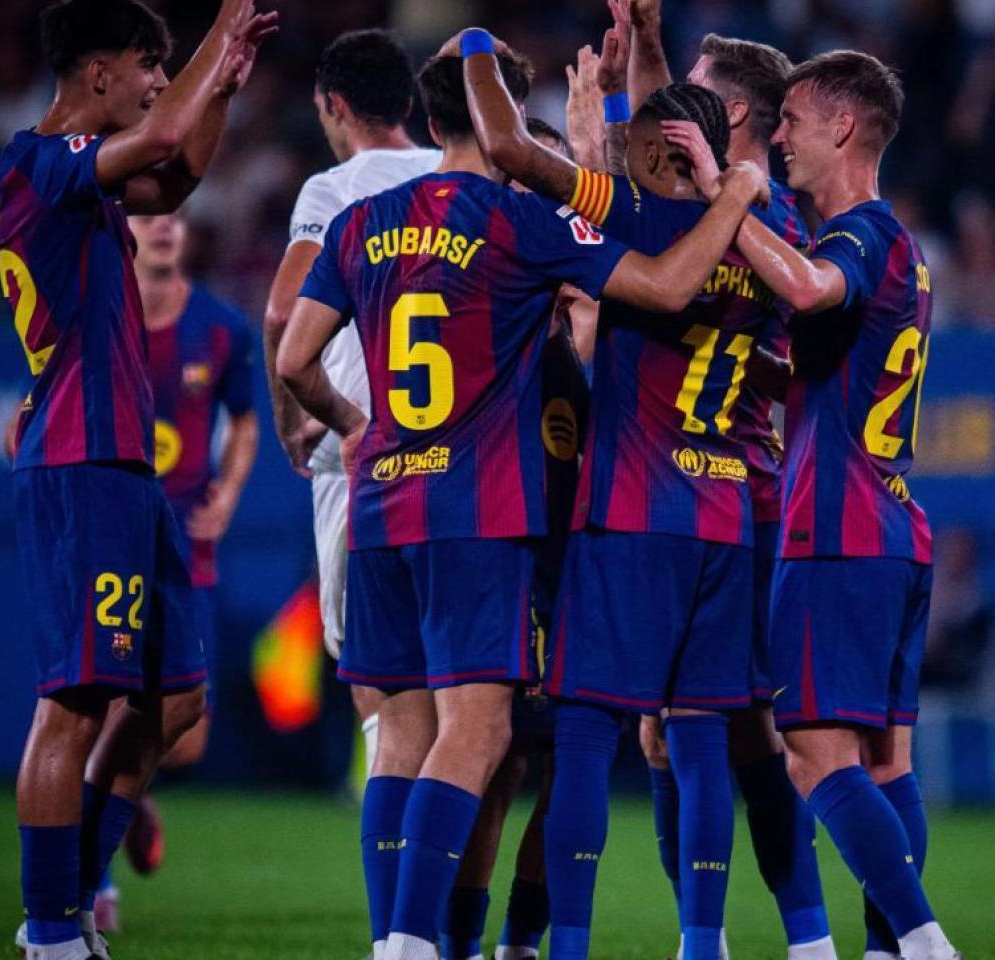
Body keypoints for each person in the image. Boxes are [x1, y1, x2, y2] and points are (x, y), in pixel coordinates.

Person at [276, 29, 766, 960]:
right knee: (484, 728)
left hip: (383, 507)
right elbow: (662, 286)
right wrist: (736, 194)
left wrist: (354, 427)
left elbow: (295, 357)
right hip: (479, 510)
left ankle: (402, 935)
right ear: (505, 124)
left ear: (428, 121)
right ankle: (418, 944)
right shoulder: (516, 224)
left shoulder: (359, 223)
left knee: (401, 730)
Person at [462, 21, 779, 960]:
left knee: (589, 741)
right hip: (723, 517)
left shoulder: (633, 221)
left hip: (628, 515)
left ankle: (561, 948)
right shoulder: (772, 237)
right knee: (701, 743)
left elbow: (515, 150)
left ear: (650, 154)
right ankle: (709, 942)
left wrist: (481, 45)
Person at [0, 1, 275, 958]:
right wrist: (220, 27)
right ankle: (50, 932)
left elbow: (177, 172)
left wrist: (221, 89)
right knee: (73, 702)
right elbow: (159, 133)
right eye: (148, 62)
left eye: (168, 64)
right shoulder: (37, 162)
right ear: (96, 71)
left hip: (123, 468)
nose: (161, 80)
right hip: (81, 461)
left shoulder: (88, 184)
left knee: (178, 697)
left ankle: (70, 899)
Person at [679, 50, 963, 960]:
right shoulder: (907, 253)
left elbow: (802, 286)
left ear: (844, 126)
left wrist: (725, 195)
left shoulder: (857, 236)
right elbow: (814, 368)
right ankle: (888, 949)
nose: (782, 137)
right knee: (885, 764)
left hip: (833, 528)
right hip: (890, 524)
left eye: (794, 120)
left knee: (807, 748)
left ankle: (920, 942)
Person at [617, 5, 833, 956]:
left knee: (704, 730)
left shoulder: (733, 215)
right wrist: (649, 47)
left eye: (694, 95)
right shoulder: (754, 216)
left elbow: (650, 173)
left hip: (708, 493)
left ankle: (713, 938)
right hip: (741, 490)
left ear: (731, 117)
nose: (672, 111)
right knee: (715, 733)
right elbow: (658, 147)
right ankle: (806, 937)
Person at [259, 28, 440, 952]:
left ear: (333, 105)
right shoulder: (454, 169)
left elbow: (285, 310)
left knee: (382, 700)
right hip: (463, 462)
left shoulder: (330, 193)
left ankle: (398, 933)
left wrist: (302, 420)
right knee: (470, 712)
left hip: (359, 461)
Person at [441, 117, 591, 960]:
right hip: (510, 557)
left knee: (566, 759)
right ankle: (465, 942)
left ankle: (518, 941)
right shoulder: (493, 309)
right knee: (499, 759)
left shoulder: (569, 304)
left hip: (580, 562)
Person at [85, 210, 259, 931]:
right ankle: (92, 887)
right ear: (124, 231)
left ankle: (130, 801)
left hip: (187, 544)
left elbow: (246, 420)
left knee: (185, 732)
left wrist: (229, 489)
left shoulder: (220, 328)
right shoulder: (98, 315)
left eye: (177, 216)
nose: (165, 227)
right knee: (97, 709)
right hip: (112, 538)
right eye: (149, 216)